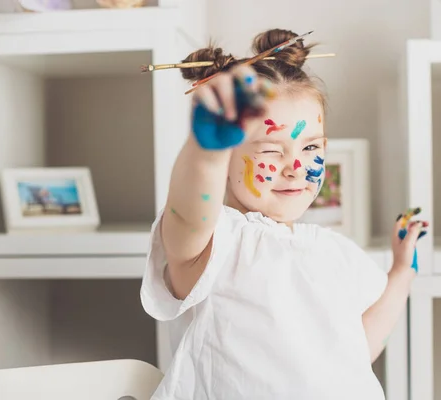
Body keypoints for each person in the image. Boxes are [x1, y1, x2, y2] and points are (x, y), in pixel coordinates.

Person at [140, 28, 426, 400]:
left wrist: (402, 273)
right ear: (227, 158)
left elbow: (357, 350)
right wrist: (205, 151)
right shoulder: (223, 240)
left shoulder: (331, 251)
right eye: (271, 151)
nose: (295, 166)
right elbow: (188, 219)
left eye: (310, 147)